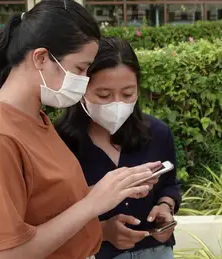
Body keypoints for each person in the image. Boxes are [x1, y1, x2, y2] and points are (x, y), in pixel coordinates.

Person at [0, 1, 159, 258]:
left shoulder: (36, 119)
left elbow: (51, 206)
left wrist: (114, 188)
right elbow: (2, 254)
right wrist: (91, 205)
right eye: (80, 68)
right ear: (41, 58)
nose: (84, 80)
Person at [55, 36, 181, 259]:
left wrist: (165, 207)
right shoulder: (60, 142)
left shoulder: (158, 133)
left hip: (157, 251)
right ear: (82, 90)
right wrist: (102, 231)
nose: (117, 104)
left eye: (127, 94)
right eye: (104, 95)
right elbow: (53, 213)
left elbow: (169, 185)